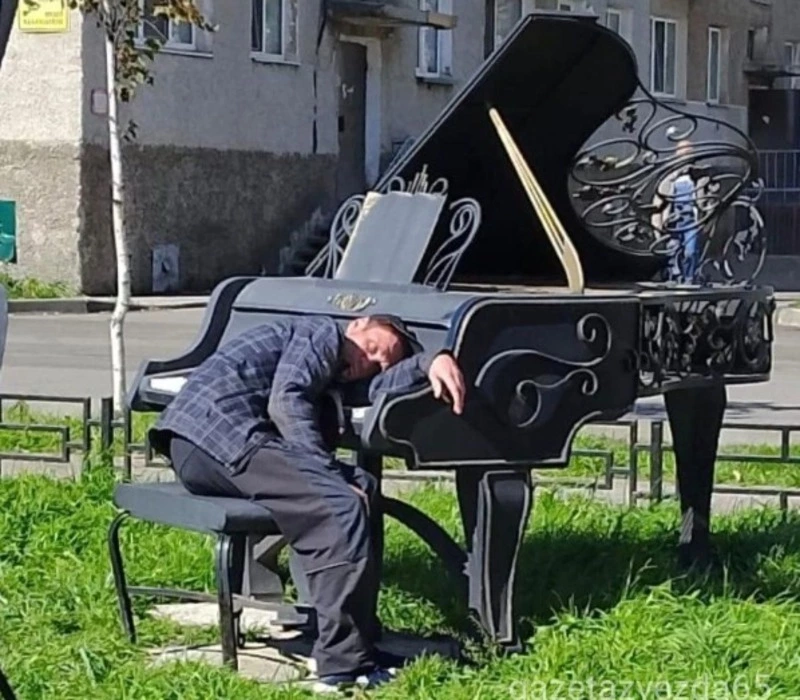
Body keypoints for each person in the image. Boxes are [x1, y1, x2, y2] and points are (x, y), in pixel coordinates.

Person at [148, 313, 465, 693]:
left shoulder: (338, 366)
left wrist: (434, 360)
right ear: (359, 324)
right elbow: (287, 399)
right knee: (340, 505)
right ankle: (340, 669)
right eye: (376, 348)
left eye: (381, 363)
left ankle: (357, 641)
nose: (372, 362)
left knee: (362, 486)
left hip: (200, 445)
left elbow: (378, 386)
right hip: (221, 438)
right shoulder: (322, 333)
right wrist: (323, 472)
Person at [651, 139, 705, 283]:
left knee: (690, 251)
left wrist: (704, 218)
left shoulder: (698, 177)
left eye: (689, 152)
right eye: (682, 152)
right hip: (673, 221)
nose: (686, 156)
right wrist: (658, 224)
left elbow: (705, 201)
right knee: (673, 251)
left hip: (691, 221)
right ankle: (674, 279)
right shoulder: (668, 178)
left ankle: (689, 279)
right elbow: (659, 202)